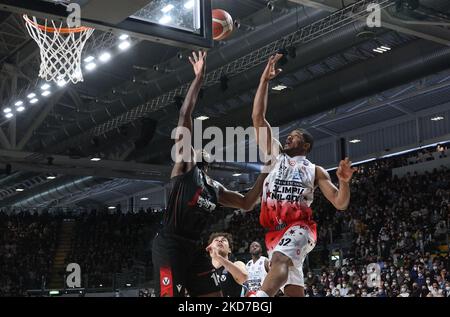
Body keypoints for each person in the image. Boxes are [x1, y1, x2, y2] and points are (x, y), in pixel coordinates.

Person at [152, 51, 267, 297]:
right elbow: (185, 115)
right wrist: (199, 79)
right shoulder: (184, 168)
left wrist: (265, 174)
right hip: (169, 244)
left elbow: (247, 203)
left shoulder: (215, 188)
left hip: (194, 248)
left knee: (212, 296)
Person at [250, 54, 357, 297]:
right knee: (293, 289)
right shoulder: (275, 155)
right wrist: (264, 81)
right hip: (275, 232)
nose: (289, 137)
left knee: (278, 261)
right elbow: (258, 118)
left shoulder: (315, 170)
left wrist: (343, 181)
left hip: (300, 229)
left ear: (306, 145)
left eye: (295, 135)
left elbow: (340, 203)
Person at [206, 232, 248, 297]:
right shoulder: (205, 271)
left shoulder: (237, 264)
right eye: (216, 240)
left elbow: (243, 277)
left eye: (224, 240)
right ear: (210, 248)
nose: (220, 241)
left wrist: (218, 257)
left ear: (229, 250)